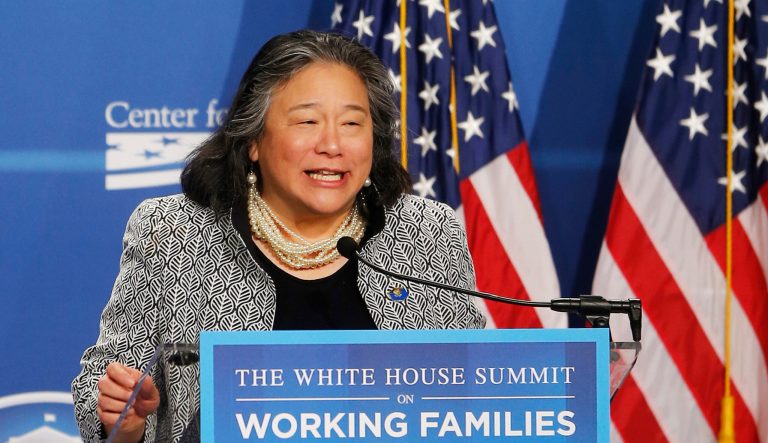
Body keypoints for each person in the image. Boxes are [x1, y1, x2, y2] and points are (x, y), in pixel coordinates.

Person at [72, 29, 485, 442]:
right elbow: (103, 394)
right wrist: (124, 422)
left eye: (352, 123)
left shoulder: (428, 231)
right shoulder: (172, 232)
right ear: (253, 139)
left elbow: (478, 393)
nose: (332, 144)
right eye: (307, 121)